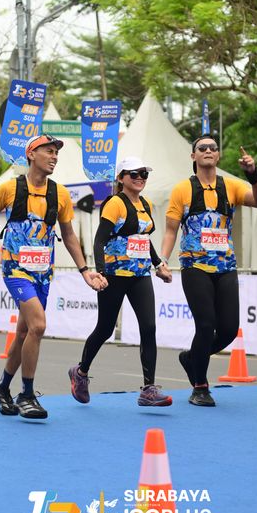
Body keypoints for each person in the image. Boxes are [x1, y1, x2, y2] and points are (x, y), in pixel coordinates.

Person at [0, 134, 106, 420]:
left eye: (56, 153)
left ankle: (2, 387)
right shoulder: (9, 188)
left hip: (42, 272)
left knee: (24, 333)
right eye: (48, 151)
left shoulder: (60, 194)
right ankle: (26, 394)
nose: (54, 157)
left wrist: (85, 271)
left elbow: (68, 235)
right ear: (31, 154)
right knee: (38, 326)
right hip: (15, 269)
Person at [160, 134, 257, 407]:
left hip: (225, 266)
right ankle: (200, 386)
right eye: (202, 148)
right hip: (194, 265)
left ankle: (191, 358)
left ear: (218, 155)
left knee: (229, 330)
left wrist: (253, 175)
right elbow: (171, 231)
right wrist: (162, 260)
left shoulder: (231, 186)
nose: (208, 150)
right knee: (206, 325)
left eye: (213, 148)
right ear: (193, 156)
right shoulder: (182, 189)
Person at [68, 156, 173, 407]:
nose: (140, 178)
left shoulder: (145, 204)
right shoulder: (115, 203)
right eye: (133, 174)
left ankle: (148, 389)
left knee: (149, 327)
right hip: (114, 276)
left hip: (140, 275)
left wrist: (158, 264)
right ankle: (80, 372)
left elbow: (143, 239)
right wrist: (101, 273)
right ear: (121, 178)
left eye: (144, 174)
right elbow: (99, 241)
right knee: (105, 329)